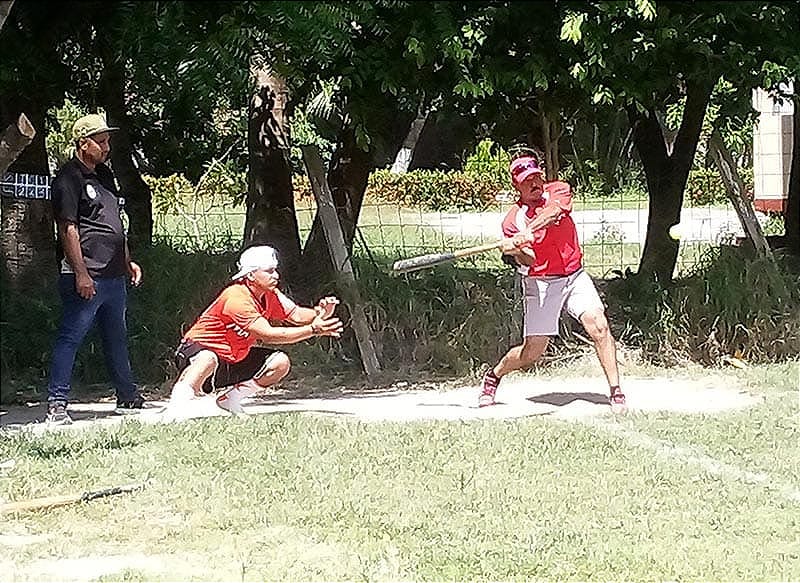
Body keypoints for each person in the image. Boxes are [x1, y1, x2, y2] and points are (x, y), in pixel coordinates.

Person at [478, 155, 627, 413]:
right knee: (532, 353)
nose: (535, 183)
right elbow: (530, 261)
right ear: (517, 186)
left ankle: (616, 391)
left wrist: (530, 231)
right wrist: (515, 249)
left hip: (574, 275)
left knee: (599, 326)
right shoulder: (512, 221)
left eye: (537, 176)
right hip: (542, 283)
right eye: (527, 181)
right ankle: (495, 375)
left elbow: (555, 212)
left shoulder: (558, 190)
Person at [47, 113, 146, 425]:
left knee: (116, 336)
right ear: (82, 144)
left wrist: (126, 259)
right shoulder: (68, 178)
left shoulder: (104, 176)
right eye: (100, 142)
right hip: (88, 274)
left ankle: (127, 395)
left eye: (107, 141)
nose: (106, 147)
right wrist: (80, 273)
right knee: (71, 337)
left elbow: (115, 222)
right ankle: (57, 402)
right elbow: (68, 228)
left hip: (114, 274)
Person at [166, 245, 344, 417]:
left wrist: (320, 312)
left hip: (230, 359)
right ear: (250, 274)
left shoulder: (269, 294)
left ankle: (230, 400)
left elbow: (296, 315)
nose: (276, 275)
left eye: (275, 270)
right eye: (269, 271)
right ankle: (176, 409)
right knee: (208, 358)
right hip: (195, 353)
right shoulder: (237, 297)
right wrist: (313, 330)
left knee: (280, 363)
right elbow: (269, 335)